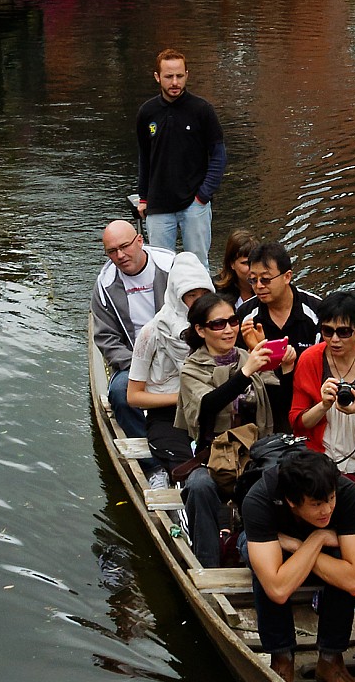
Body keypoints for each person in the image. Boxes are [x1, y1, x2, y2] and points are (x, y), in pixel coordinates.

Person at [241, 449, 355, 682]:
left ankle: (331, 659)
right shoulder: (259, 499)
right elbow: (278, 588)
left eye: (330, 499)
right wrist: (316, 540)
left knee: (342, 564)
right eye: (316, 504)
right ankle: (282, 657)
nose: (327, 510)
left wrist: (311, 542)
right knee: (264, 573)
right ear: (291, 501)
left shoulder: (346, 493)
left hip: (307, 547)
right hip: (274, 547)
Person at [176, 291, 274, 569]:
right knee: (199, 486)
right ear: (201, 330)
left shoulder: (248, 357)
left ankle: (266, 559)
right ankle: (208, 566)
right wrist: (245, 373)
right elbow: (207, 404)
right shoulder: (192, 369)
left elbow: (277, 401)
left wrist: (285, 365)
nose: (229, 330)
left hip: (253, 455)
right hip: (213, 458)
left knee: (279, 478)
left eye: (233, 321)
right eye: (218, 324)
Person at [289, 290, 355, 473]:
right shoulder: (309, 359)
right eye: (327, 331)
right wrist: (323, 406)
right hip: (321, 459)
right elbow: (297, 422)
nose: (334, 340)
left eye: (344, 332)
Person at [135, 48, 226, 261]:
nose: (175, 82)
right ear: (157, 77)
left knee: (197, 264)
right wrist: (143, 197)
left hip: (194, 204)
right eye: (169, 76)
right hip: (158, 205)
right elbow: (145, 157)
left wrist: (203, 195)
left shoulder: (202, 110)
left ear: (187, 75)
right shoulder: (146, 112)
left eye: (179, 76)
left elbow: (219, 156)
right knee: (160, 265)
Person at [126, 252, 213, 468]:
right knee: (186, 466)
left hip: (209, 411)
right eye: (192, 295)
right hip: (168, 416)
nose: (199, 302)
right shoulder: (152, 332)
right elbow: (133, 396)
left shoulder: (218, 328)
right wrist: (183, 398)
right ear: (177, 295)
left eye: (205, 294)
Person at [93, 220, 174, 438]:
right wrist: (139, 366)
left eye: (124, 246)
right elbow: (106, 338)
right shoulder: (105, 284)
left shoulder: (171, 267)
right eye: (112, 251)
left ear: (139, 241)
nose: (120, 255)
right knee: (121, 394)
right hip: (133, 360)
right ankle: (147, 448)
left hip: (177, 353)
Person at [240, 241, 322, 433]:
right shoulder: (245, 315)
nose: (259, 286)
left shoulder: (316, 310)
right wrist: (254, 351)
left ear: (287, 277)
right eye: (253, 280)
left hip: (310, 398)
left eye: (266, 279)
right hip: (264, 402)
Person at [214, 228, 258, 314]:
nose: (252, 269)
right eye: (245, 263)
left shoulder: (270, 288)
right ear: (232, 264)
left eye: (256, 262)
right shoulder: (215, 291)